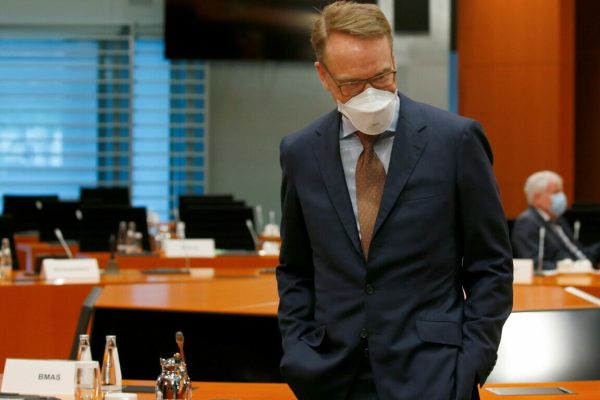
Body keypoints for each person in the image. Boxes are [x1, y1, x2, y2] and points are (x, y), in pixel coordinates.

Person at [276, 2, 513, 399]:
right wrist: (298, 350)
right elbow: (296, 268)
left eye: (382, 76)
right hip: (331, 376)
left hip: (434, 376)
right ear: (324, 76)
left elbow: (491, 266)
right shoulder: (300, 151)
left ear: (393, 60)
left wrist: (471, 363)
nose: (371, 94)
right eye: (353, 82)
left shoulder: (456, 141)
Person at [511, 170, 600, 270]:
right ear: (537, 198)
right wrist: (571, 268)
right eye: (556, 192)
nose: (562, 196)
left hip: (583, 274)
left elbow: (580, 254)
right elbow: (536, 264)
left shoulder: (558, 221)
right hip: (560, 280)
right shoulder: (527, 223)